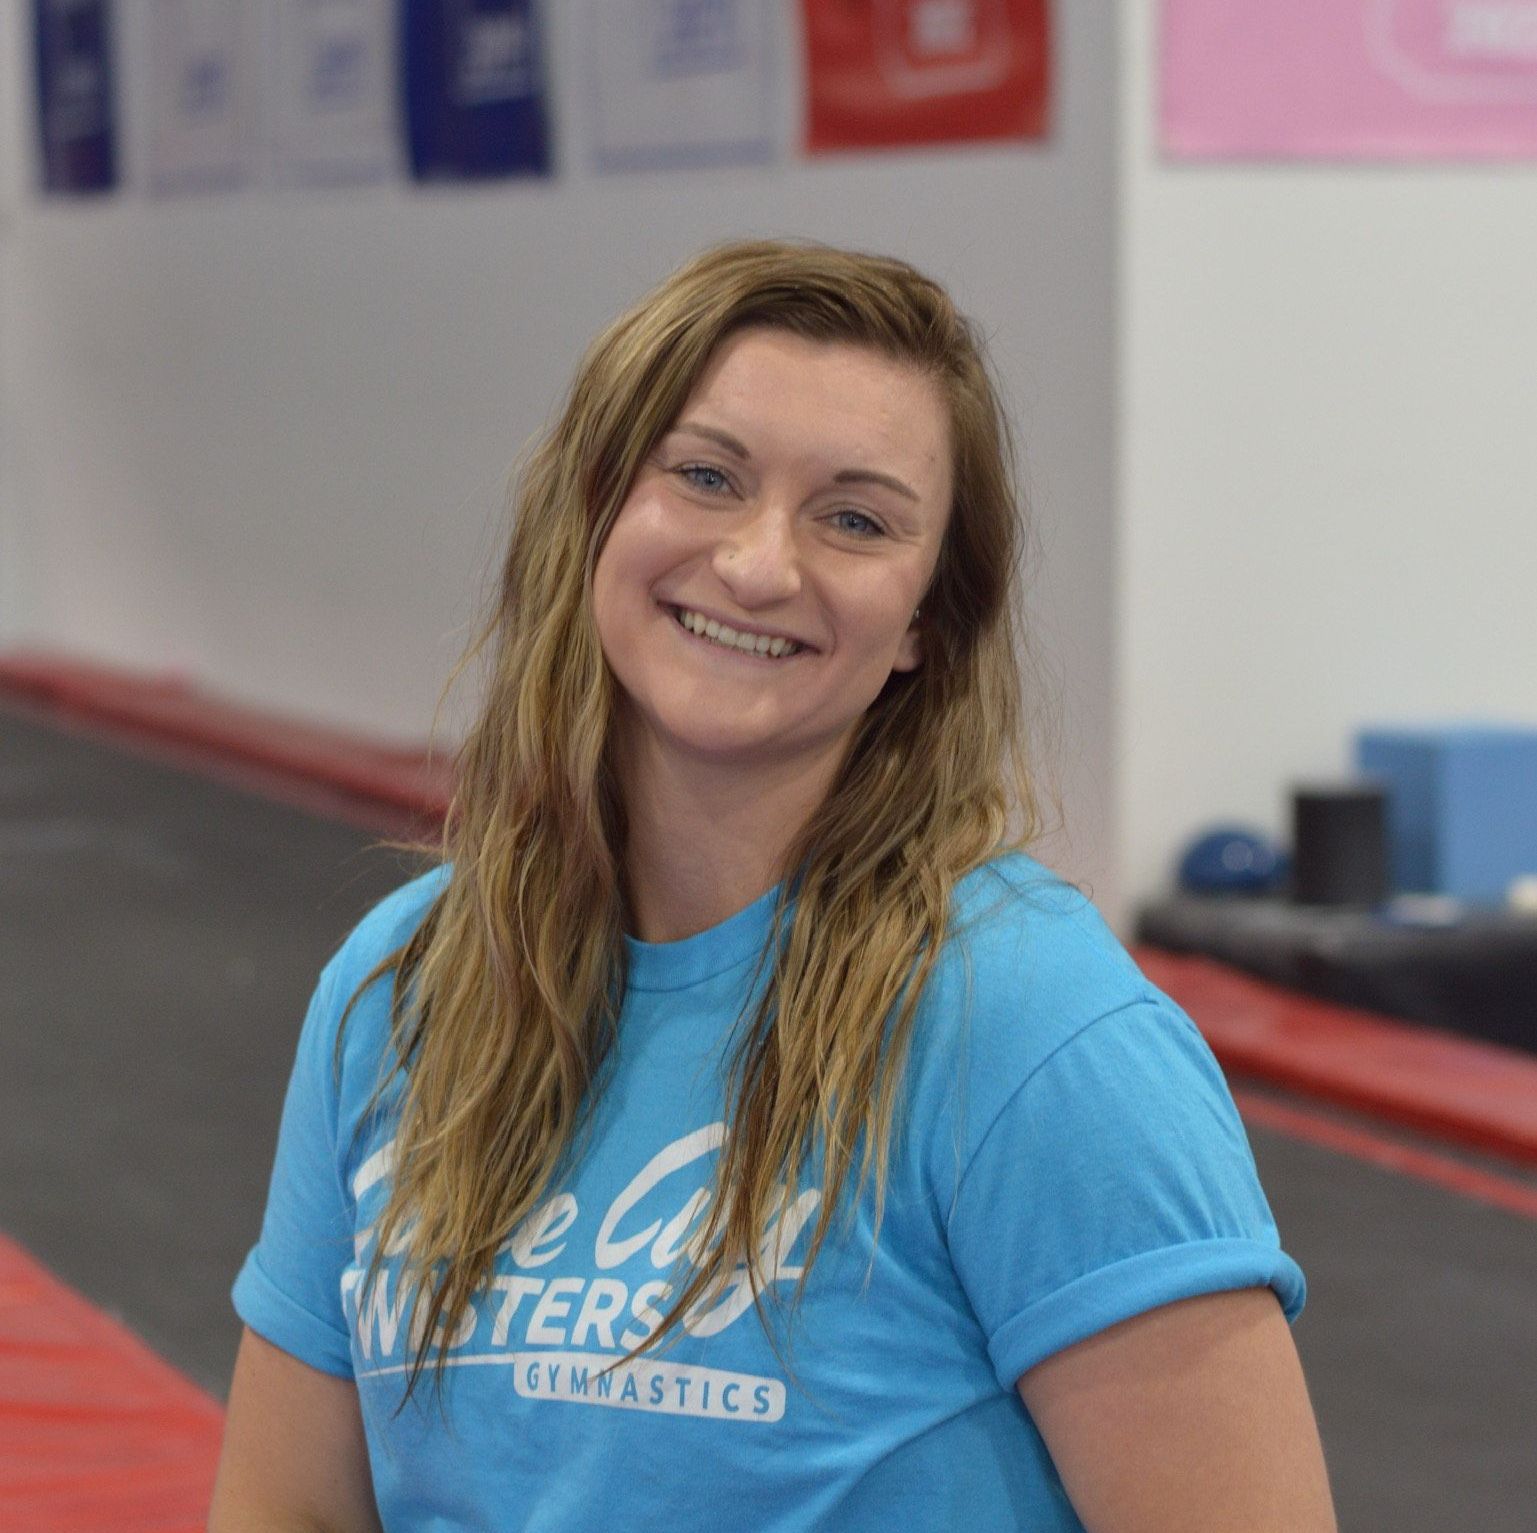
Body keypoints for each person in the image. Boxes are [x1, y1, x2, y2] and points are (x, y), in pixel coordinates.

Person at [209, 240, 1337, 1531]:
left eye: (854, 519)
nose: (757, 564)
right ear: (592, 510)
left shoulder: (1032, 1029)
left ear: (925, 623)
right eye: (704, 476)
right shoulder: (401, 987)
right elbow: (286, 1511)